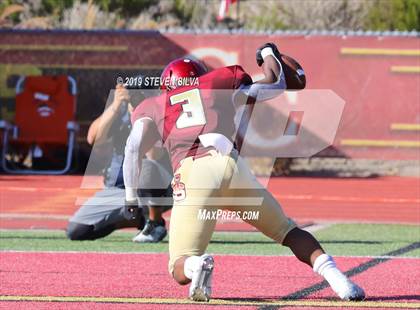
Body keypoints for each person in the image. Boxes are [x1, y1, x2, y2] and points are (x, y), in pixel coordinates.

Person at [123, 43, 365, 301]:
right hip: (232, 165)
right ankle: (341, 282)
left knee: (179, 266)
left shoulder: (154, 104)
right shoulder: (217, 86)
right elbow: (277, 83)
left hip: (194, 171)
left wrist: (130, 197)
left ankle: (198, 265)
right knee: (288, 232)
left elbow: (133, 147)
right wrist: (269, 53)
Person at [66, 82, 173, 242]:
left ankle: (154, 221)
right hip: (117, 188)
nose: (137, 100)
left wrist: (145, 118)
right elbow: (93, 139)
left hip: (158, 188)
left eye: (141, 96)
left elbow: (154, 156)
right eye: (134, 96)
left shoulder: (159, 113)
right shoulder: (121, 113)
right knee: (77, 231)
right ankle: (138, 220)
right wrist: (116, 105)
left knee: (147, 168)